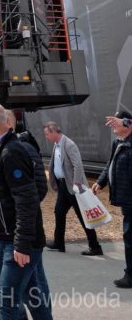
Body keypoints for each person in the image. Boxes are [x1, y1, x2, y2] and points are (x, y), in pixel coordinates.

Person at [0, 103, 51, 319]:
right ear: (7, 121)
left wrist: (22, 243)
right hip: (5, 234)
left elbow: (27, 199)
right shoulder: (1, 149)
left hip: (17, 239)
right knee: (32, 294)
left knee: (7, 303)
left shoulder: (11, 152)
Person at [41, 120, 102, 256]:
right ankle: (58, 243)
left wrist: (77, 184)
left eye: (47, 134)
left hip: (73, 187)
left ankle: (95, 246)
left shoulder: (69, 144)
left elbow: (78, 165)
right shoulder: (56, 144)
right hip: (64, 186)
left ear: (53, 132)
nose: (46, 137)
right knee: (59, 212)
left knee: (82, 216)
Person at [93, 111, 132, 288]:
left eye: (117, 121)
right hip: (127, 200)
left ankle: (130, 276)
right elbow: (110, 164)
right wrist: (100, 182)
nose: (113, 125)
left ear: (127, 124)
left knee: (129, 237)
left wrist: (125, 120)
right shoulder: (119, 143)